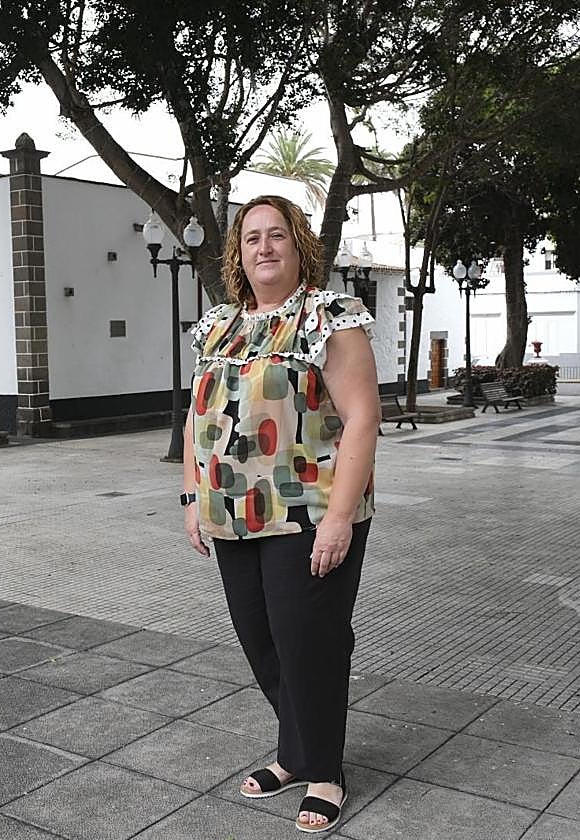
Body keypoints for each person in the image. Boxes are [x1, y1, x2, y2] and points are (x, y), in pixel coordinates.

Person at [182, 195, 380, 833]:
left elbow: (362, 418)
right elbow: (195, 418)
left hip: (309, 510)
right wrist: (192, 496)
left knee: (310, 645)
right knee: (263, 644)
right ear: (237, 254)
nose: (263, 247)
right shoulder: (218, 326)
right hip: (232, 514)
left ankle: (325, 770)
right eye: (251, 239)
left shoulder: (330, 317)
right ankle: (295, 754)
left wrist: (340, 517)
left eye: (277, 236)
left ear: (299, 246)